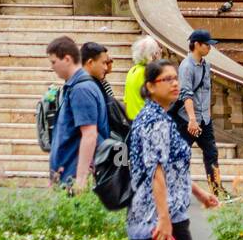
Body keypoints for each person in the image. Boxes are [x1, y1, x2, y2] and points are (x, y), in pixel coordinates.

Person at [112, 59, 219, 240]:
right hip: (161, 214)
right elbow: (156, 171)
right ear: (150, 86)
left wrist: (199, 194)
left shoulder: (160, 117)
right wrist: (164, 219)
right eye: (167, 79)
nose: (174, 84)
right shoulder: (155, 121)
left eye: (175, 78)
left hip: (157, 213)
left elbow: (173, 167)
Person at [46, 35, 109, 189]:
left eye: (54, 62)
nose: (52, 67)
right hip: (66, 175)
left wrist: (80, 180)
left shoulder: (81, 89)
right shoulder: (76, 86)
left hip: (73, 178)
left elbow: (89, 134)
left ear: (67, 59)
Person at [178, 29, 227, 197]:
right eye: (207, 45)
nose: (209, 48)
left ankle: (217, 190)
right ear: (196, 45)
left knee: (211, 153)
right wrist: (192, 120)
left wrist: (205, 116)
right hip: (188, 121)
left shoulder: (206, 65)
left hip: (204, 120)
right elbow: (186, 94)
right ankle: (177, 191)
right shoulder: (186, 67)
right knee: (181, 156)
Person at [81, 41, 129, 138]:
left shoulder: (94, 85)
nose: (106, 67)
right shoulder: (84, 89)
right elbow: (88, 133)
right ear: (90, 63)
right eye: (104, 63)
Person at [124, 36, 161, 122]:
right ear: (153, 55)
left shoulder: (132, 71)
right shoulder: (149, 73)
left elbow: (126, 101)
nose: (160, 52)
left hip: (132, 120)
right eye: (158, 51)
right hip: (146, 121)